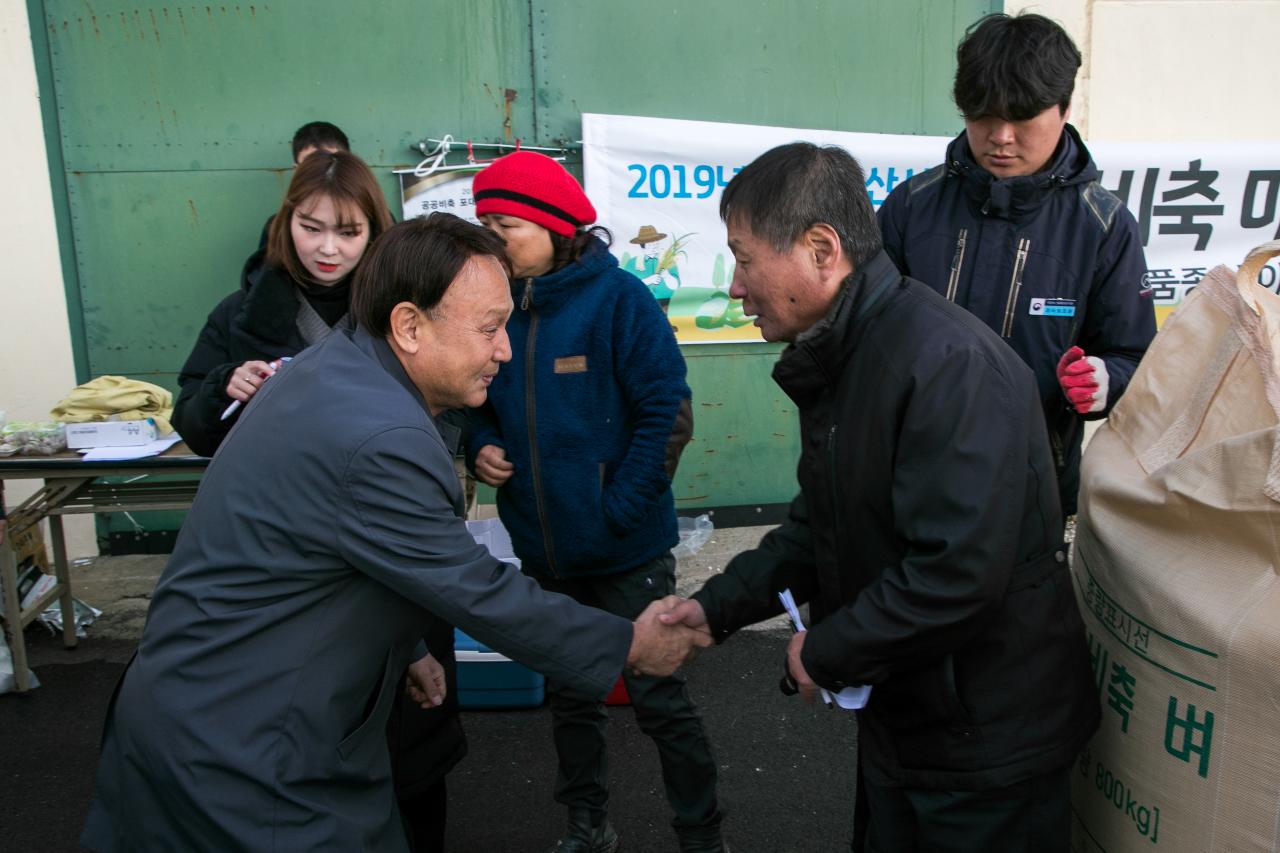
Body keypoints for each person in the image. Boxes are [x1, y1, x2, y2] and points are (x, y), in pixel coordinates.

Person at [81, 213, 709, 852]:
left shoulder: (333, 369)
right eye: (491, 328)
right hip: (245, 753)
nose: (505, 350)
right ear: (408, 325)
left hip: (198, 713)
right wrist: (629, 644)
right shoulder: (383, 437)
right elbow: (475, 588)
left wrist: (405, 646)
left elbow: (329, 546)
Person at [658, 143, 1099, 852]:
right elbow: (818, 527)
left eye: (744, 259)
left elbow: (956, 574)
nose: (737, 286)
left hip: (986, 744)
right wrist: (710, 610)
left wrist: (827, 649)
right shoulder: (848, 352)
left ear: (822, 249)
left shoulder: (945, 367)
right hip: (919, 719)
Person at [466, 152, 720, 853]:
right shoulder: (496, 305)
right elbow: (472, 393)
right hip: (545, 550)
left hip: (626, 550)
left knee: (659, 698)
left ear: (554, 226)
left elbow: (667, 412)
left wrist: (619, 510)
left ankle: (702, 836)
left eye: (506, 223)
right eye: (483, 220)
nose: (492, 235)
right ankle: (588, 825)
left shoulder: (620, 300)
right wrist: (480, 447)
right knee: (572, 701)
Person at [877, 11, 1156, 517]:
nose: (1001, 137)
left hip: (1033, 483)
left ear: (1065, 106)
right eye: (983, 116)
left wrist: (1104, 380)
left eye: (1022, 117)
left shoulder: (1104, 226)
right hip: (912, 476)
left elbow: (1135, 358)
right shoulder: (911, 206)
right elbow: (864, 332)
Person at [173, 149, 391, 457]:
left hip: (380, 487)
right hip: (269, 496)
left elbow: (448, 410)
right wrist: (224, 387)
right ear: (287, 221)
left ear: (373, 231)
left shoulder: (401, 310)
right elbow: (192, 428)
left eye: (347, 233)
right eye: (311, 228)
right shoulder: (236, 313)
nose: (328, 249)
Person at [258, 121, 352, 248]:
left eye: (331, 160)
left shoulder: (374, 217)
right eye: (311, 163)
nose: (322, 169)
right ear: (296, 170)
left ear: (349, 165)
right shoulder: (276, 226)